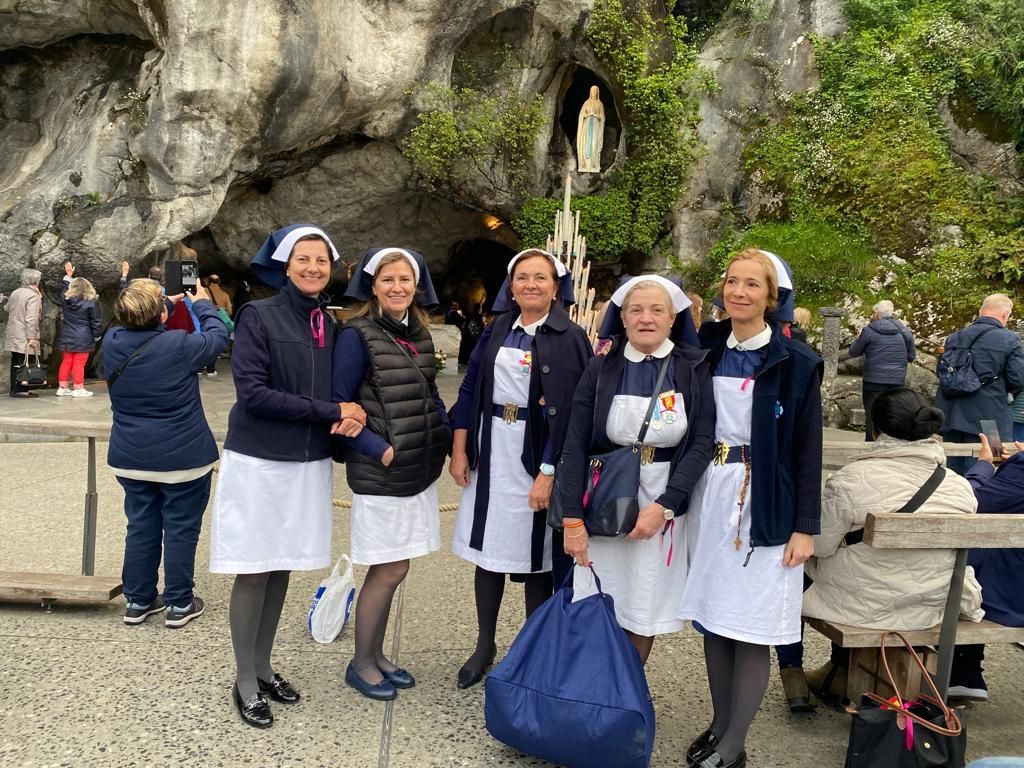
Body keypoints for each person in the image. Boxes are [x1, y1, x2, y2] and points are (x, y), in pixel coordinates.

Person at [209, 224, 365, 729]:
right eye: (303, 259)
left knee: (282, 567)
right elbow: (253, 394)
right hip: (261, 460)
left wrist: (349, 418)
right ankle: (244, 679)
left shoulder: (329, 322)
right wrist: (331, 411)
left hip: (307, 461)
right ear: (284, 265)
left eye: (321, 260)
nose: (313, 268)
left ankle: (264, 665)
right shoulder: (258, 315)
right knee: (255, 568)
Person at [678, 248, 823, 768]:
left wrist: (805, 527)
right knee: (715, 617)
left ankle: (734, 744)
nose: (738, 292)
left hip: (765, 500)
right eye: (732, 281)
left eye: (752, 284)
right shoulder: (706, 346)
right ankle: (720, 724)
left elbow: (807, 450)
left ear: (772, 297)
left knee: (751, 626)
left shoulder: (796, 362)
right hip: (710, 493)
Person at [449, 248, 592, 689]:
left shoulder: (570, 338)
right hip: (491, 449)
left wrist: (548, 472)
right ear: (510, 286)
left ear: (556, 288)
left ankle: (534, 650)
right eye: (522, 277)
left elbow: (572, 413)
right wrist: (459, 448)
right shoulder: (497, 329)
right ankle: (484, 644)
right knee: (488, 553)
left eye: (540, 277)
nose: (531, 284)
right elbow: (469, 387)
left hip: (536, 455)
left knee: (539, 560)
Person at [560, 275, 715, 664]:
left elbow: (701, 442)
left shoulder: (692, 369)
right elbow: (575, 445)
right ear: (623, 318)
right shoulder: (601, 369)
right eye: (636, 310)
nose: (647, 318)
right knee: (599, 599)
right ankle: (596, 687)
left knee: (644, 605)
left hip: (661, 499)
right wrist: (572, 520)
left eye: (657, 310)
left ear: (673, 319)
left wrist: (666, 505)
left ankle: (626, 687)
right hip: (607, 495)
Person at [797, 388, 981, 703]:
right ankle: (839, 670)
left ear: (875, 429)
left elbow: (818, 546)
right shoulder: (959, 487)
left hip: (859, 609)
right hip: (928, 607)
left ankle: (804, 671)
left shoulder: (850, 481)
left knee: (806, 563)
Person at [332, 247, 451, 701]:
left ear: (417, 286)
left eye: (405, 279)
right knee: (388, 568)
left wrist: (445, 435)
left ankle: (377, 655)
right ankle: (361, 663)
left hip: (417, 468)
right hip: (382, 471)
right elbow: (339, 406)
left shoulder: (418, 332)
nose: (397, 287)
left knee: (396, 567)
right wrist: (380, 451)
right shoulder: (356, 334)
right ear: (373, 286)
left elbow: (428, 393)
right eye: (388, 280)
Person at [103, 278, 227, 630]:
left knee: (140, 526)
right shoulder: (180, 344)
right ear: (159, 314)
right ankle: (179, 602)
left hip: (131, 457)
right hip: (183, 458)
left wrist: (167, 301)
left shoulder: (112, 341)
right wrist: (201, 303)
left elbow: (142, 319)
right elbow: (219, 336)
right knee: (180, 529)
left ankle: (138, 601)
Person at [948, 432, 1024, 701]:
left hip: (1010, 600)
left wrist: (984, 465)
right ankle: (963, 672)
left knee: (962, 560)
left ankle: (961, 670)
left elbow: (969, 502)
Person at [936, 294, 1024, 474]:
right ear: (1005, 314)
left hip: (952, 412)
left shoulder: (954, 337)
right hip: (990, 416)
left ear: (980, 311)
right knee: (988, 465)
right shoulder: (1009, 339)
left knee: (954, 468)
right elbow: (1018, 378)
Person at [847, 300, 916, 441]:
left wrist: (858, 339)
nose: (872, 316)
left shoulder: (869, 331)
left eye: (873, 313)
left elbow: (853, 352)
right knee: (893, 413)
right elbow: (911, 357)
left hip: (873, 381)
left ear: (877, 314)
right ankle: (891, 444)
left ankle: (872, 444)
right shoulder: (904, 332)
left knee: (872, 414)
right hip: (896, 381)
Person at [56, 262, 102, 397]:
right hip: (84, 336)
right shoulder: (91, 302)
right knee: (79, 363)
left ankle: (62, 387)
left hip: (67, 335)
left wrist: (68, 276)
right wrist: (97, 335)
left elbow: (64, 290)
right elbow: (96, 321)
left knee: (66, 361)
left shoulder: (66, 299)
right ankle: (78, 388)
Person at [5, 268, 42, 398]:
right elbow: (31, 318)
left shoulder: (15, 292)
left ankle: (14, 389)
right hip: (24, 333)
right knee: (25, 361)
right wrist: (32, 337)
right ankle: (22, 389)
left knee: (15, 360)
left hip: (13, 331)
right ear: (35, 281)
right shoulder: (33, 295)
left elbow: (7, 308)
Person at [201, 274, 233, 376]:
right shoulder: (224, 294)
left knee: (202, 343)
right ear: (219, 282)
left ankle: (200, 367)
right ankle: (210, 369)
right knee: (213, 344)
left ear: (208, 281)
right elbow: (230, 311)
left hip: (204, 320)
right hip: (218, 323)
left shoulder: (203, 291)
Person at [458, 302, 485, 373]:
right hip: (473, 336)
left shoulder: (470, 315)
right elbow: (479, 326)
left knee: (466, 349)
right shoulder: (477, 316)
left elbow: (464, 325)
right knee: (473, 349)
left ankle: (463, 361)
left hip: (467, 335)